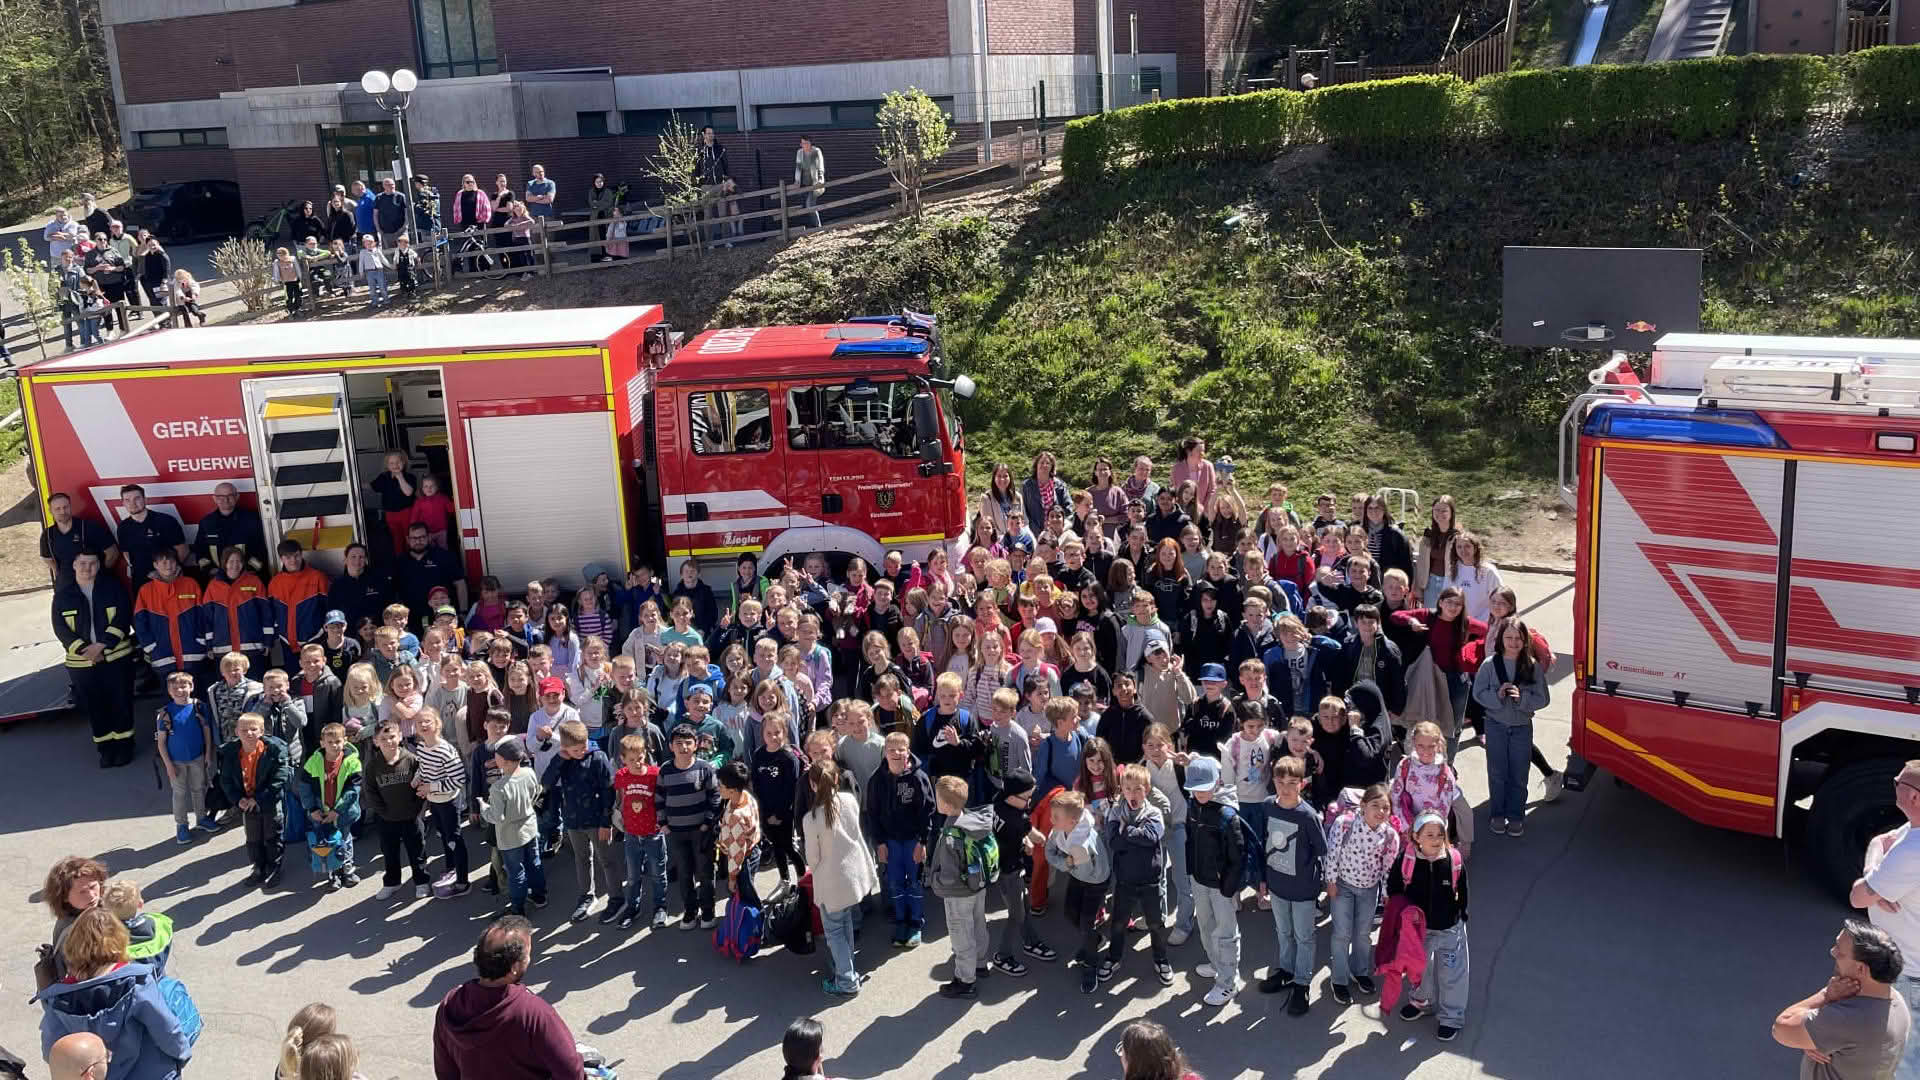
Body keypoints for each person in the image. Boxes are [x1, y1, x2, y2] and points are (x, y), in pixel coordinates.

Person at [34, 908, 194, 1079]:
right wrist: (182, 1055)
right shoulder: (135, 983)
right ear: (119, 942)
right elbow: (164, 1027)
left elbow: (51, 1049)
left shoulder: (59, 999)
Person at [432, 916, 584, 1080]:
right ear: (515, 966)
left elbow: (445, 1071)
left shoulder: (450, 1003)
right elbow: (571, 1073)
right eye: (527, 955)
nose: (529, 960)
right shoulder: (534, 1013)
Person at [1773, 922, 1911, 1078]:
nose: (1833, 952)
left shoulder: (1847, 1018)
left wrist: (1826, 996)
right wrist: (1815, 1037)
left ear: (1861, 969)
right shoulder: (1897, 1002)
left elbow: (1781, 1028)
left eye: (1840, 951)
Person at [1852, 760, 1920, 1078]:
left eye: (1897, 782)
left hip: (1909, 975)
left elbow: (1857, 896)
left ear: (1914, 796)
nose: (1893, 786)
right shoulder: (1912, 830)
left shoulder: (1912, 852)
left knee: (1905, 1061)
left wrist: (1871, 884)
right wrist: (1875, 873)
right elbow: (1880, 841)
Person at [1387, 810, 1470, 1040]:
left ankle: (1451, 1017)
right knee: (1418, 969)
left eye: (1440, 834)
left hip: (1449, 928)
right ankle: (1422, 1001)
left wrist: (1462, 913)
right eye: (1430, 834)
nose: (1436, 839)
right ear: (1416, 837)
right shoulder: (1406, 860)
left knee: (1452, 974)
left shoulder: (1453, 860)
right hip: (1418, 930)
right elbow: (1394, 888)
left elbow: (1463, 889)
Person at [53, 550, 139, 767]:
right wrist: (86, 650)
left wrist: (102, 646)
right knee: (95, 707)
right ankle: (105, 749)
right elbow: (61, 629)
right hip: (81, 664)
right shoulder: (63, 595)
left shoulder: (113, 588)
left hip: (116, 657)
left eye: (92, 563)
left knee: (121, 702)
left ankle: (124, 746)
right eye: (82, 563)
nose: (87, 568)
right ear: (74, 566)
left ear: (99, 566)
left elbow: (123, 618)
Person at [1258, 755, 1326, 1015]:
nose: (1285, 788)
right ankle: (1286, 971)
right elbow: (1264, 843)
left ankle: (1302, 982)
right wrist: (1263, 879)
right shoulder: (1268, 806)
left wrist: (1319, 881)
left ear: (1302, 784)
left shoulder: (1307, 816)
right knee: (1283, 931)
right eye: (1280, 781)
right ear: (1273, 781)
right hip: (1277, 885)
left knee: (1304, 937)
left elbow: (1321, 849)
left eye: (1292, 783)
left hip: (1303, 890)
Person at [1471, 619, 1548, 837]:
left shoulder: (1531, 666)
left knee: (1519, 773)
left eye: (1518, 638)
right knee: (1497, 772)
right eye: (1509, 638)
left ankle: (1515, 816)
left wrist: (1523, 699)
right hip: (1495, 725)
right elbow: (1478, 693)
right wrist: (1497, 696)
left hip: (1521, 727)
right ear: (1501, 639)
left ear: (1525, 641)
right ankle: (1497, 813)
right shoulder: (1489, 664)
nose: (1513, 642)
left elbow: (1543, 698)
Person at [1104, 764, 1174, 990]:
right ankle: (1113, 957)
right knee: (1118, 923)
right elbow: (1113, 842)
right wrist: (1135, 835)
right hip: (1125, 881)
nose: (1132, 793)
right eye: (1127, 788)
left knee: (1155, 924)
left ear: (1147, 790)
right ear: (1121, 789)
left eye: (1137, 789)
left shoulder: (1154, 813)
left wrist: (1126, 831)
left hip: (1150, 881)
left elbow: (1151, 837)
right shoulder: (1116, 812)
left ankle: (1161, 959)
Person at [543, 720, 621, 923]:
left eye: (583, 746)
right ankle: (586, 895)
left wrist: (606, 822)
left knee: (607, 860)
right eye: (575, 750)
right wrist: (559, 760)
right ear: (564, 747)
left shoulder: (598, 757)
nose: (581, 752)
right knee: (582, 858)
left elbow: (609, 790)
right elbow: (546, 782)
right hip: (573, 820)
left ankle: (616, 898)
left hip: (597, 820)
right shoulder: (562, 759)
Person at [925, 775, 994, 1000]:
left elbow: (949, 873)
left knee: (961, 935)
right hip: (978, 886)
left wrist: (935, 881)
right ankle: (980, 964)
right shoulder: (973, 821)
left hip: (958, 893)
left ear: (946, 805)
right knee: (978, 924)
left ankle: (965, 981)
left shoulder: (951, 833)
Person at [867, 731, 933, 947]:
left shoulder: (918, 777)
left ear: (908, 752)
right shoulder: (877, 780)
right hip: (890, 841)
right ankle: (901, 921)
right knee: (895, 883)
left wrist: (923, 842)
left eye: (901, 749)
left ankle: (915, 922)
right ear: (884, 752)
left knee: (914, 882)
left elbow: (927, 811)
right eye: (891, 749)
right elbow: (873, 813)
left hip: (913, 840)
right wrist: (880, 843)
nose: (896, 753)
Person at [1045, 788, 1112, 994]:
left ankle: (1091, 965)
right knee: (1070, 914)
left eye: (1056, 817)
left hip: (1095, 881)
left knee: (1085, 923)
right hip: (1077, 876)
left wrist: (1066, 863)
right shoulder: (1059, 830)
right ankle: (1094, 938)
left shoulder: (1083, 843)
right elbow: (1049, 852)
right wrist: (1065, 863)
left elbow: (1084, 868)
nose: (1051, 819)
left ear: (1073, 822)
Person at [659, 723, 722, 929]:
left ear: (696, 745)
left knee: (705, 872)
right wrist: (663, 823)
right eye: (679, 743)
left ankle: (708, 911)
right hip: (676, 832)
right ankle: (690, 911)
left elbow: (715, 797)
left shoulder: (705, 768)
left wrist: (707, 822)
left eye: (688, 743)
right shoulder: (665, 770)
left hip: (701, 831)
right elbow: (659, 798)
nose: (684, 747)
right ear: (671, 746)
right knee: (684, 873)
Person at [221, 711, 292, 890]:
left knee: (272, 835)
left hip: (268, 800)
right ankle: (258, 867)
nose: (249, 733)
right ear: (236, 732)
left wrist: (258, 799)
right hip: (246, 803)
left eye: (253, 729)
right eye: (244, 730)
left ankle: (274, 867)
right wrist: (238, 799)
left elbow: (279, 778)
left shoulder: (274, 751)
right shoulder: (230, 753)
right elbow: (226, 780)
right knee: (253, 838)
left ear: (262, 731)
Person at [361, 719, 432, 899]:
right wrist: (382, 811)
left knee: (417, 852)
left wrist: (416, 809)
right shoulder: (373, 766)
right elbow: (370, 791)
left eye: (392, 737)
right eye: (383, 739)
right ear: (376, 741)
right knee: (389, 852)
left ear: (400, 736)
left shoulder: (412, 760)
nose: (389, 742)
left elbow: (421, 787)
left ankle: (421, 881)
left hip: (411, 817)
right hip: (386, 818)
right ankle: (392, 882)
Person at [481, 738, 547, 916]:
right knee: (534, 863)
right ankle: (540, 897)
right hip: (530, 828)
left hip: (510, 836)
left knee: (516, 871)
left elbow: (496, 817)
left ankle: (518, 907)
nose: (495, 758)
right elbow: (536, 792)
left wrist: (484, 808)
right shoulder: (529, 772)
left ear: (506, 761)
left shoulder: (498, 788)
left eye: (497, 756)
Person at [155, 671, 220, 844]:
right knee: (179, 793)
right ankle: (182, 825)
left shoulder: (199, 707)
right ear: (169, 691)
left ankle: (201, 818)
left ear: (191, 687)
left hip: (197, 757)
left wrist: (208, 754)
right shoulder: (165, 713)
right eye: (175, 688)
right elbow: (161, 743)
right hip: (175, 761)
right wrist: (168, 765)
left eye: (183, 686)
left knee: (199, 788)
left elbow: (206, 731)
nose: (180, 691)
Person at [612, 733, 668, 929]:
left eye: (640, 758)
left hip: (653, 833)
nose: (637, 763)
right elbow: (621, 799)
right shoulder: (621, 776)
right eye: (631, 760)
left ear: (646, 754)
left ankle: (660, 907)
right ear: (623, 759)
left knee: (657, 874)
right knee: (633, 875)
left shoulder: (655, 774)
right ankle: (632, 907)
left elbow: (663, 800)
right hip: (631, 834)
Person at [38, 856, 108, 988]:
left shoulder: (93, 910)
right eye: (82, 892)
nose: (92, 896)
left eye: (93, 886)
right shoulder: (76, 932)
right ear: (64, 897)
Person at [39, 493, 118, 585]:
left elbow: (113, 553)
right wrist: (61, 576)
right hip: (66, 586)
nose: (63, 512)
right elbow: (48, 560)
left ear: (70, 507)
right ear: (50, 511)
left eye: (65, 507)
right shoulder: (47, 535)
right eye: (58, 509)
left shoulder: (90, 527)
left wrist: (99, 575)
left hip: (93, 584)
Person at [398, 522, 467, 618]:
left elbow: (460, 584)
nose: (418, 541)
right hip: (412, 618)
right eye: (414, 538)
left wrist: (463, 612)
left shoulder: (444, 557)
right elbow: (396, 592)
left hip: (443, 617)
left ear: (429, 537)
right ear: (408, 539)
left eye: (422, 537)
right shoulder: (400, 562)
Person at [794, 137, 826, 229]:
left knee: (810, 205)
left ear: (810, 143)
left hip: (814, 183)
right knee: (805, 206)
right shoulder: (799, 153)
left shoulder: (816, 151)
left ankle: (818, 227)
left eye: (807, 143)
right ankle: (814, 226)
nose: (805, 145)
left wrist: (820, 179)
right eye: (803, 143)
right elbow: (798, 167)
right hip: (804, 183)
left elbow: (820, 166)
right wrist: (797, 181)